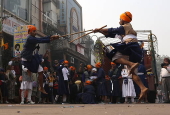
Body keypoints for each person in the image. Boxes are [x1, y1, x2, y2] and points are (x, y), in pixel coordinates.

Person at [93, 11, 148, 101]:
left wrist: (99, 30)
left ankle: (130, 63)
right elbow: (110, 33)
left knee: (114, 57)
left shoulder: (126, 26)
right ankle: (143, 88)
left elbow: (113, 30)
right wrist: (99, 30)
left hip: (130, 46)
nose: (119, 21)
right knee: (132, 72)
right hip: (133, 50)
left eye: (120, 19)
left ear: (123, 20)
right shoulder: (124, 31)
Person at [21, 25, 59, 94]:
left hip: (31, 58)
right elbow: (40, 40)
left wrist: (51, 37)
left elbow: (42, 39)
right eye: (34, 31)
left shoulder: (32, 38)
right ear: (30, 32)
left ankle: (41, 88)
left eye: (35, 31)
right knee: (27, 75)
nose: (35, 32)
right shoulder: (30, 38)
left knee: (41, 70)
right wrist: (51, 38)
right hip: (26, 58)